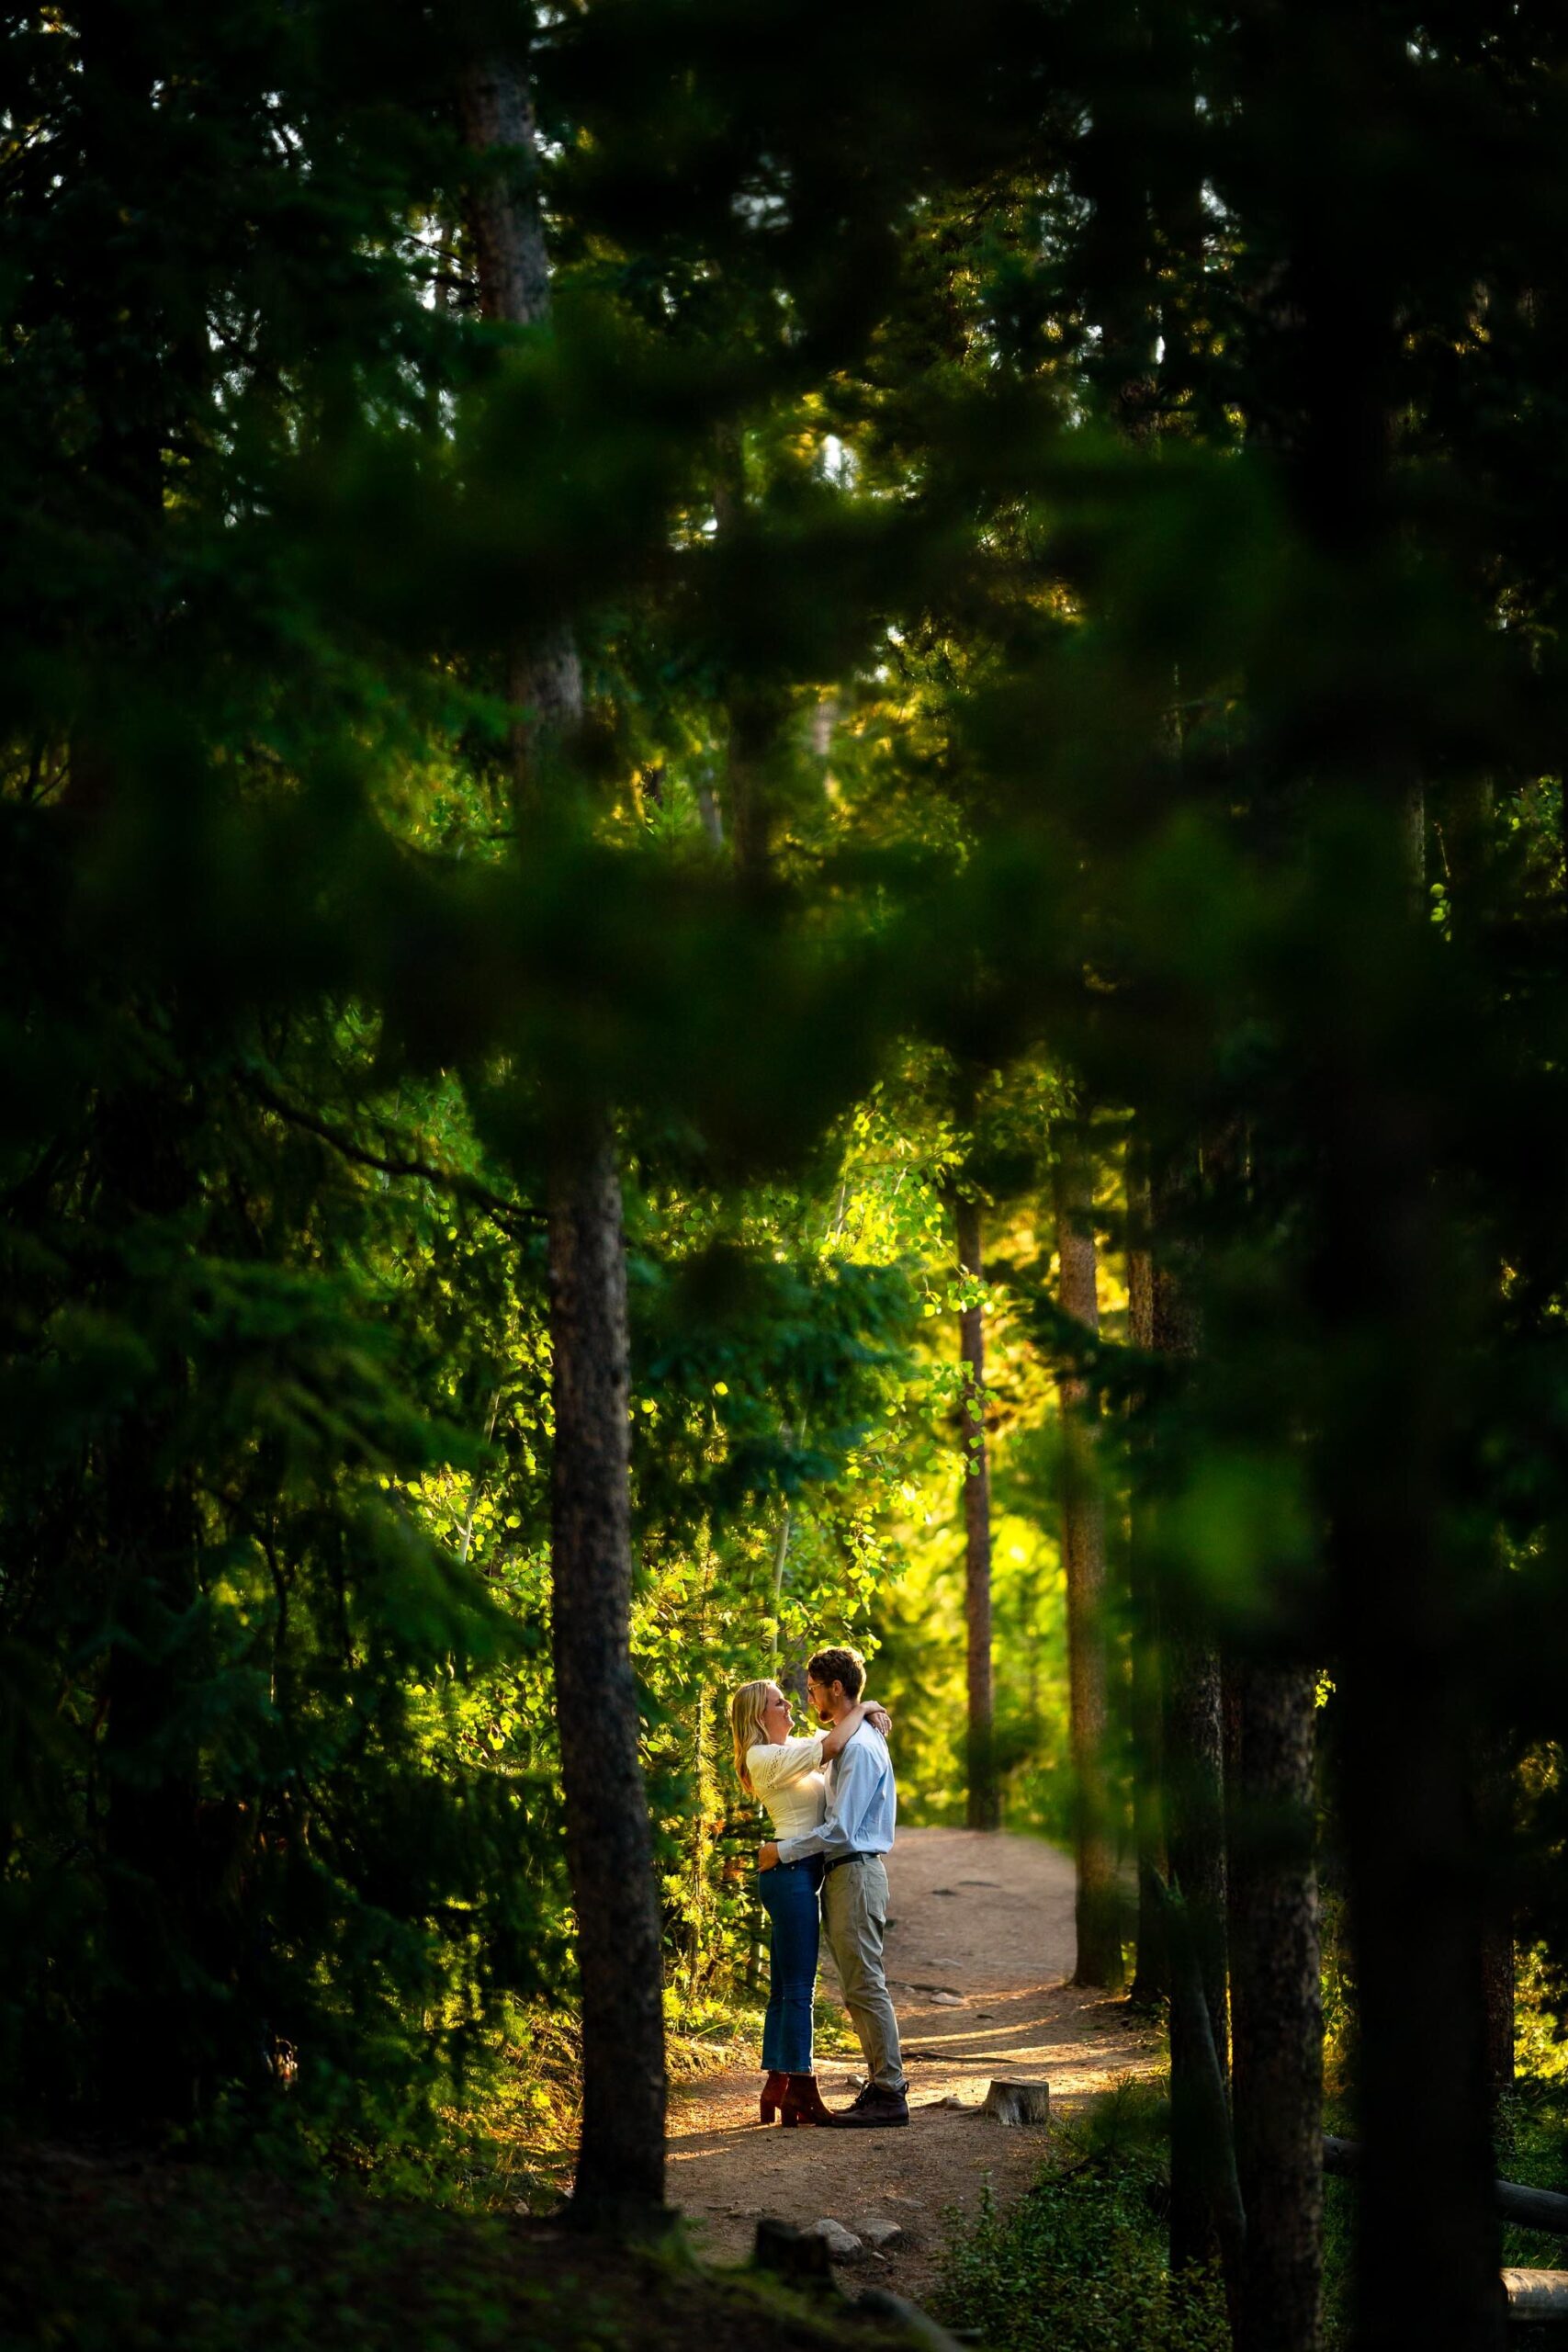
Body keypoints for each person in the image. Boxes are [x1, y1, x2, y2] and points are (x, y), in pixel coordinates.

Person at [730, 1676, 892, 2127]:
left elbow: (836, 1736)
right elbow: (832, 1747)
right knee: (799, 1988)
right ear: (758, 1718)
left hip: (794, 1873)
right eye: (778, 1703)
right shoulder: (763, 1756)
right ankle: (801, 2085)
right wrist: (861, 1709)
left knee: (783, 1988)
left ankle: (776, 2083)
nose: (788, 1707)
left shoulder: (789, 1747)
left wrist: (868, 1706)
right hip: (790, 1875)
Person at [760, 1645, 908, 2128]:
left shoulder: (861, 1748)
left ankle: (890, 2092)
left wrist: (783, 1851)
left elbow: (842, 1829)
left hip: (856, 1869)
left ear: (835, 1689)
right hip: (843, 1873)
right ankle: (882, 2085)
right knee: (858, 1985)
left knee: (865, 1983)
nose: (808, 1699)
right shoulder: (849, 1741)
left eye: (813, 1689)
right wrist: (868, 1708)